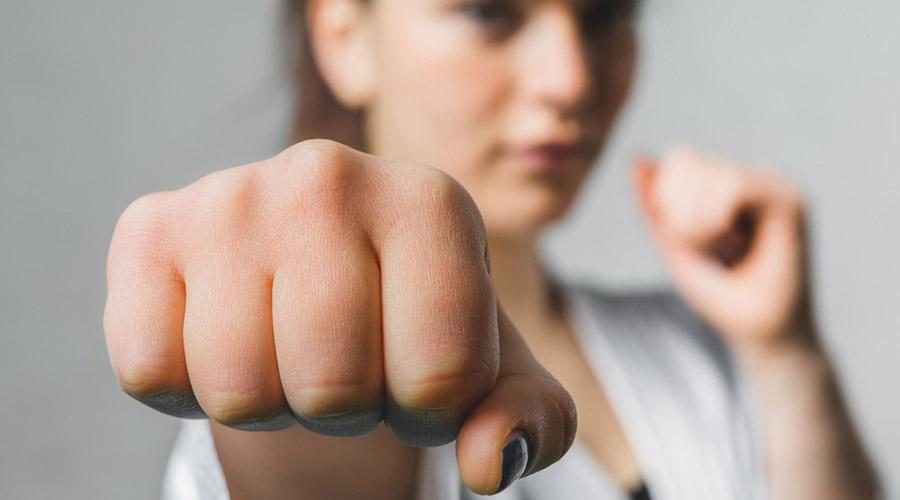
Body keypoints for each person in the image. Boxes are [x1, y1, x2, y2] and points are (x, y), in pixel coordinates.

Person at [102, 0, 882, 498]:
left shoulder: (694, 343)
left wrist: (787, 353)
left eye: (606, 14)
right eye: (488, 12)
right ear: (344, 36)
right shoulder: (320, 380)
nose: (571, 80)